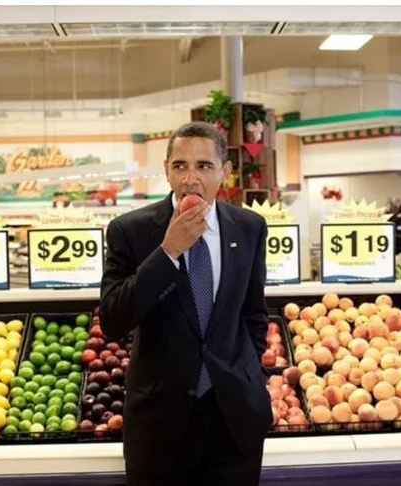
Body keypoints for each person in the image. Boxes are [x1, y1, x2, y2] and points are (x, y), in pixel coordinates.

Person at [100, 121, 272, 486]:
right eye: (180, 166)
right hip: (161, 426)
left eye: (204, 166)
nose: (190, 178)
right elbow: (114, 320)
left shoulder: (250, 227)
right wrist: (169, 251)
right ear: (166, 171)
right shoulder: (129, 231)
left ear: (225, 172)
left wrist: (244, 374)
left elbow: (254, 314)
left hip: (234, 422)